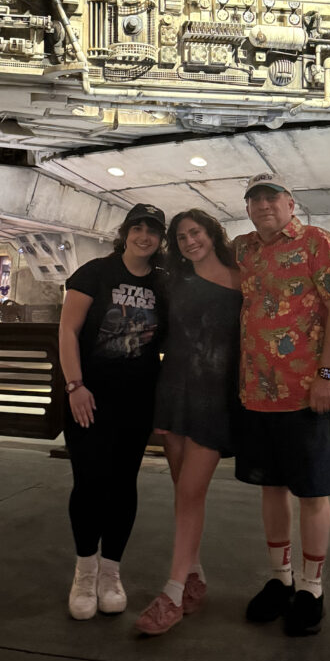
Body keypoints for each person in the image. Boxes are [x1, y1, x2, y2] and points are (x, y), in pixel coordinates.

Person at [234, 173, 330, 637]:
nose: (263, 205)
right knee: (270, 488)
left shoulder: (317, 242)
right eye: (254, 199)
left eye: (271, 197)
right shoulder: (244, 249)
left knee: (313, 492)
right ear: (246, 208)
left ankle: (312, 587)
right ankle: (280, 579)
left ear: (290, 202)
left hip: (309, 392)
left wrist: (327, 374)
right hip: (257, 393)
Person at [58, 203, 166, 621]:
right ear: (125, 233)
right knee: (88, 482)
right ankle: (84, 571)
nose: (145, 236)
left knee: (123, 484)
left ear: (160, 239)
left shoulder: (163, 283)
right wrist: (75, 385)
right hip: (89, 395)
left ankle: (111, 572)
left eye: (153, 231)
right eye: (138, 228)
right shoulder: (94, 273)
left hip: (136, 399)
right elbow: (67, 329)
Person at [135, 210, 241, 636]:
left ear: (212, 233)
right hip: (174, 390)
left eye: (195, 233)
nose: (189, 241)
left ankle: (173, 591)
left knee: (192, 492)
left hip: (215, 397)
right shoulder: (171, 280)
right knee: (183, 492)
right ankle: (194, 577)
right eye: (181, 238)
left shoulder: (241, 278)